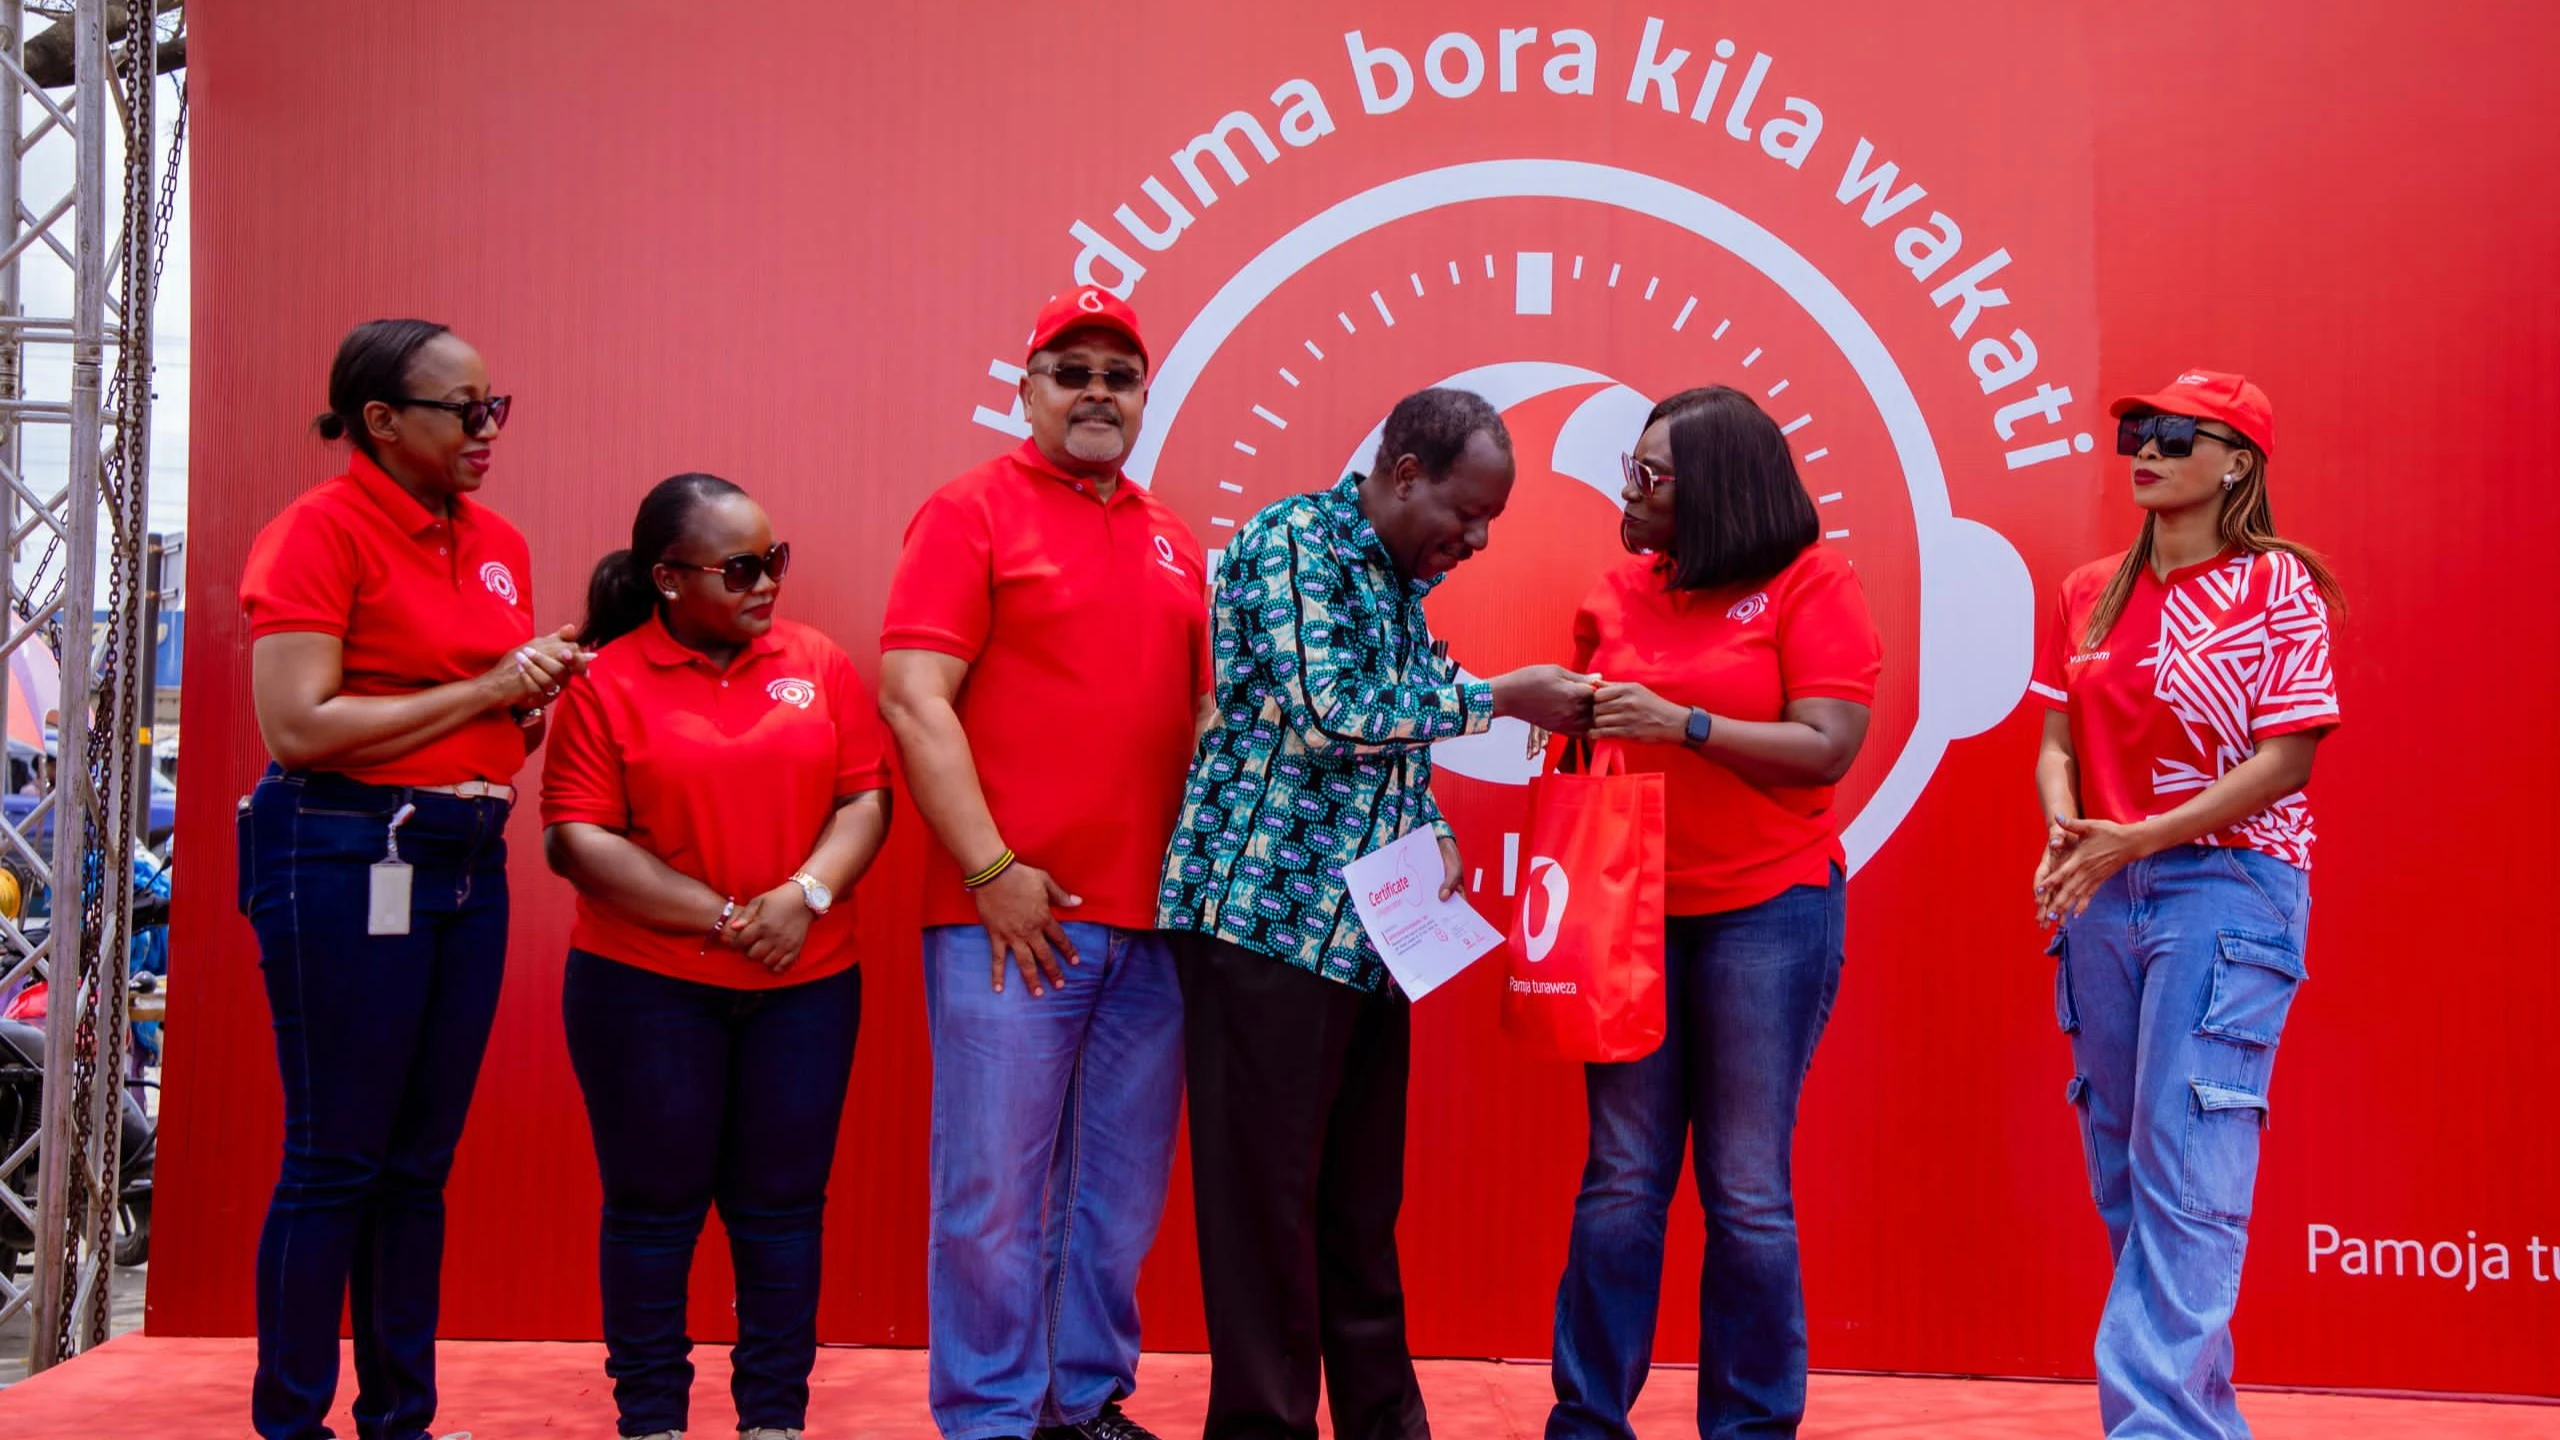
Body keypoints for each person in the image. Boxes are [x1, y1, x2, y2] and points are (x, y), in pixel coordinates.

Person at [1160, 387, 1596, 1440]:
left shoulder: (1397, 583)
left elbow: (1393, 723)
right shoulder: (1292, 539)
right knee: (1264, 1208)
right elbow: (1327, 714)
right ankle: (1262, 1427)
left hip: (1359, 938)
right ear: (1405, 473)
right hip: (1261, 921)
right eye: (1468, 511)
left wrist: (1429, 814)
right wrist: (1501, 697)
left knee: (1359, 1205)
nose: (1479, 539)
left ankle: (1381, 1422)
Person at [237, 318, 586, 1440]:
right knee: (336, 1155)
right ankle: (292, 1421)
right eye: (462, 410)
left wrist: (521, 710)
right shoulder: (316, 533)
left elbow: (487, 731)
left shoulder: (500, 543)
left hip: (464, 855)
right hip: (346, 847)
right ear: (381, 421)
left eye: (497, 406)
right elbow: (298, 727)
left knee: (417, 1164)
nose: (488, 430)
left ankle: (402, 1420)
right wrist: (490, 690)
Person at [877, 287, 1205, 1440]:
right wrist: (988, 868)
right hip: (1005, 916)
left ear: (1142, 396)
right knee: (993, 1194)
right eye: (1071, 371)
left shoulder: (1174, 537)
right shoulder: (967, 512)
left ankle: (1080, 1402)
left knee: (1113, 1199)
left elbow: (1199, 720)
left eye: (1119, 374)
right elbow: (915, 701)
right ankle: (986, 1418)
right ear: (1026, 390)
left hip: (1155, 925)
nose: (1097, 393)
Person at [1542, 386, 1882, 1440]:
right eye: (1630, 471)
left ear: (1721, 490)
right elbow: (1596, 738)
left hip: (1766, 911)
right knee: (1620, 1179)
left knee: (1744, 1190)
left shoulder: (1811, 580)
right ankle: (1587, 1421)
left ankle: (1748, 1427)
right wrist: (1572, 716)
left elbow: (1826, 746)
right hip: (1629, 909)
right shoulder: (1616, 588)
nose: (1629, 494)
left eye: (1653, 477)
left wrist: (1686, 723)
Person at [541, 473, 893, 1440]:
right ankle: (651, 1420)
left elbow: (866, 801)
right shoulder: (605, 682)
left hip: (806, 988)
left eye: (773, 561)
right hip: (644, 990)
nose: (766, 583)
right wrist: (737, 916)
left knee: (782, 1211)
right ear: (666, 579)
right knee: (654, 1212)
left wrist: (806, 898)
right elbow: (578, 839)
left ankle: (772, 1421)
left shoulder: (817, 662)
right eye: (739, 567)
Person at [2031, 371, 2341, 1439]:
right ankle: (2192, 1423)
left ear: (2237, 461)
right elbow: (2056, 739)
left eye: (2171, 433)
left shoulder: (2277, 586)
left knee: (2185, 1162)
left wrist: (2142, 836)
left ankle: (2156, 1428)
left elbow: (2286, 760)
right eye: (2133, 431)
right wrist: (2069, 832)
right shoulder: (2087, 590)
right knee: (2124, 1163)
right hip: (2103, 891)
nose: (2143, 450)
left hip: (2228, 882)